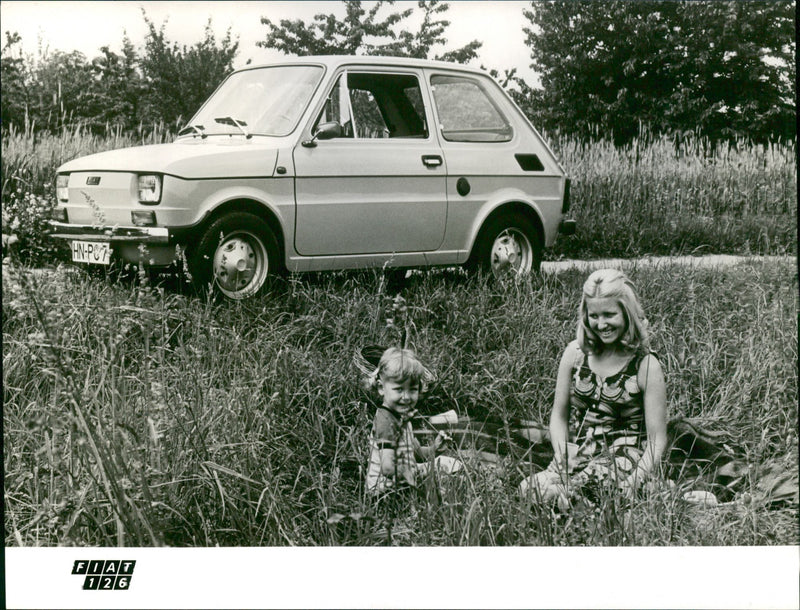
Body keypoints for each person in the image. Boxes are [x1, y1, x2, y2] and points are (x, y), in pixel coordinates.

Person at [520, 269, 667, 508]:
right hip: (579, 451)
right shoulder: (574, 354)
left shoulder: (646, 365)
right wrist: (561, 453)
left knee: (571, 497)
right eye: (594, 315)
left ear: (627, 314)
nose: (601, 324)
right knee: (528, 489)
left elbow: (656, 440)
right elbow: (559, 415)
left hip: (624, 458)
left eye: (610, 314)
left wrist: (636, 480)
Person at [365, 347, 462, 493]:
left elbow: (416, 455)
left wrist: (434, 449)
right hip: (385, 491)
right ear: (381, 388)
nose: (406, 397)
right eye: (398, 389)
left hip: (400, 482)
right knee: (450, 478)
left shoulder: (402, 418)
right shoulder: (386, 420)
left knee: (451, 464)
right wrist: (417, 474)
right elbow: (387, 467)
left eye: (412, 390)